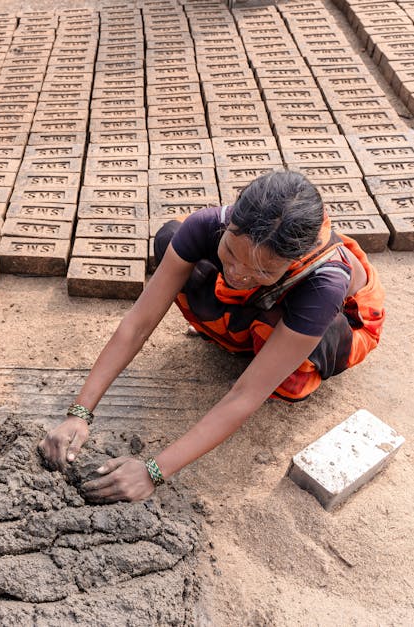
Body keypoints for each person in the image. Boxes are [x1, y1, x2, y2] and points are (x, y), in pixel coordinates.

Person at [40, 170, 385, 502]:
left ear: (294, 259)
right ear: (231, 221)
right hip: (268, 305)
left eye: (263, 270)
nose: (236, 273)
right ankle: (250, 332)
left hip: (335, 329)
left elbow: (245, 395)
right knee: (170, 239)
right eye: (231, 253)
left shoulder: (323, 285)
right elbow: (138, 323)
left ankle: (276, 353)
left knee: (294, 347)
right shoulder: (207, 225)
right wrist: (79, 413)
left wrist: (154, 471)